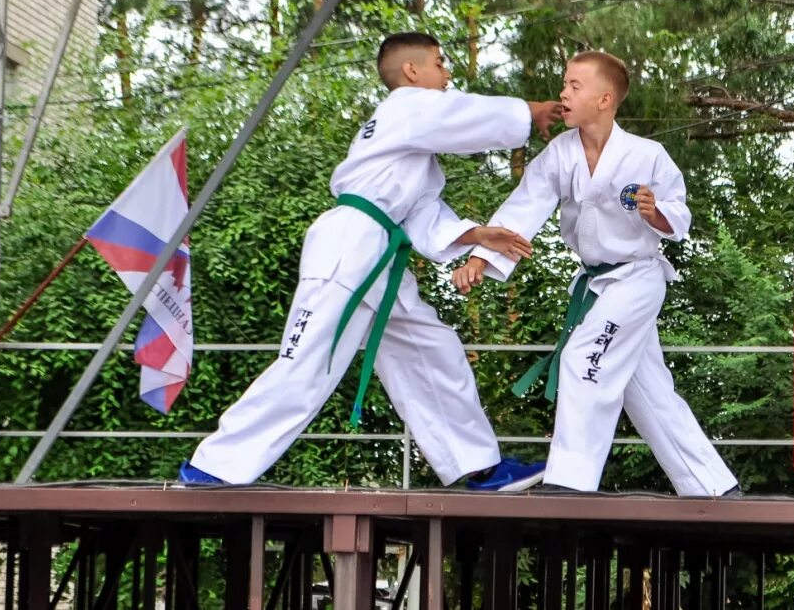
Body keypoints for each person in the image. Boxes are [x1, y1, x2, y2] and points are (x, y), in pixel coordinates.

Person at [178, 32, 561, 490]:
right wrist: (527, 113)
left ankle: (475, 465)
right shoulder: (405, 106)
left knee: (431, 349)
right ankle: (216, 466)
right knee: (308, 359)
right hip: (350, 244)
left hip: (378, 253)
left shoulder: (409, 138)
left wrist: (477, 234)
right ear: (412, 71)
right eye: (440, 63)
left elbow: (420, 212)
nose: (448, 73)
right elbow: (462, 115)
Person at [453, 51, 739, 497]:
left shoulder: (648, 155)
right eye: (564, 85)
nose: (564, 93)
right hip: (597, 282)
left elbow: (679, 214)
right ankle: (713, 487)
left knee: (584, 355)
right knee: (648, 393)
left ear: (605, 99)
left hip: (637, 278)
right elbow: (524, 205)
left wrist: (656, 212)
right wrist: (481, 257)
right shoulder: (560, 154)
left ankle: (570, 480)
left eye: (574, 86)